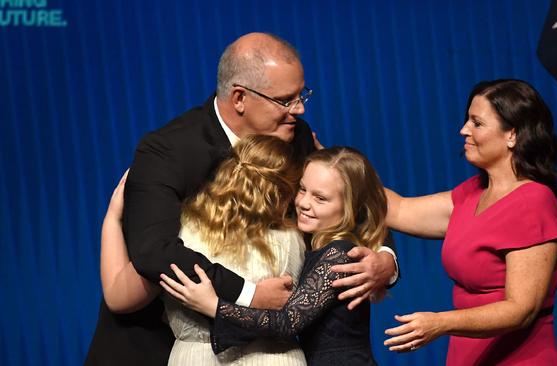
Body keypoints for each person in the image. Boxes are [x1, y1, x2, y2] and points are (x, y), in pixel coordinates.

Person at [85, 32, 398, 366]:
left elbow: (352, 201)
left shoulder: (297, 136)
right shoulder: (167, 151)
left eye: (301, 94)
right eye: (286, 100)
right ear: (239, 98)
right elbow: (155, 254)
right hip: (169, 346)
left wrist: (384, 260)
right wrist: (250, 294)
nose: (300, 108)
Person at [383, 79, 557, 365]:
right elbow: (398, 209)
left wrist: (441, 322)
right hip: (467, 355)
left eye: (476, 123)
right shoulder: (472, 193)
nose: (463, 130)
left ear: (512, 135)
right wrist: (329, 164)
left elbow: (522, 309)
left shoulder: (533, 202)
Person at [160, 146, 388, 365]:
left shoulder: (339, 254)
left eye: (320, 198)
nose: (303, 203)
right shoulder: (318, 248)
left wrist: (213, 305)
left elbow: (287, 322)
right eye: (302, 189)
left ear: (351, 205)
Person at [102, 135, 310, 365]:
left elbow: (119, 298)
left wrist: (112, 220)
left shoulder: (178, 238)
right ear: (285, 193)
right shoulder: (293, 239)